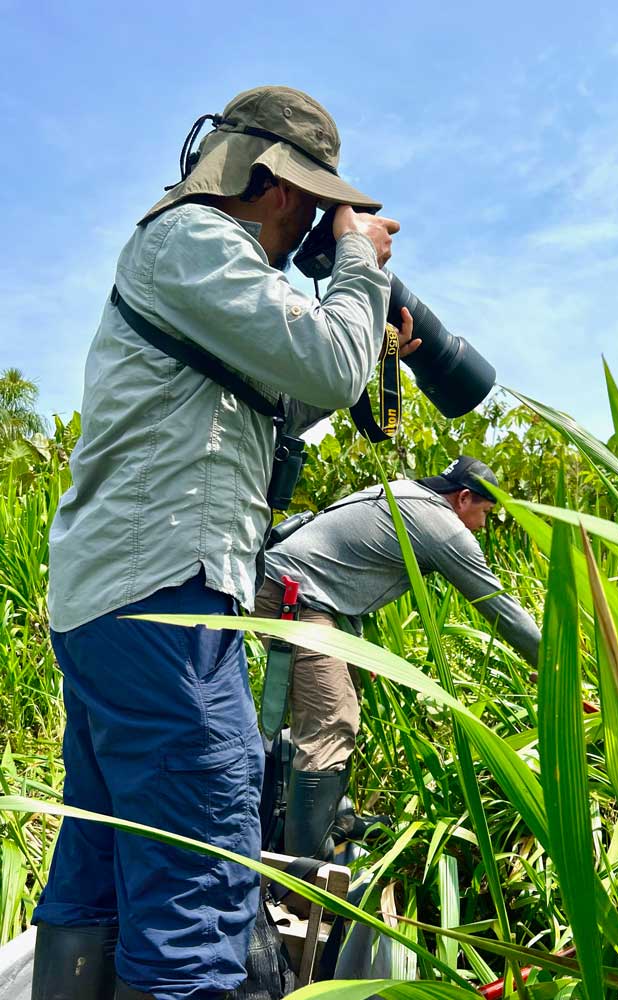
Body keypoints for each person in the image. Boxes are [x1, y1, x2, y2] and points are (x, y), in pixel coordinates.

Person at [33, 86, 413, 1000]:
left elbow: (277, 399)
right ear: (284, 188)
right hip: (163, 603)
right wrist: (360, 262)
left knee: (104, 859)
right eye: (319, 209)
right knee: (198, 884)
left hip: (118, 605)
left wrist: (372, 350)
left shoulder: (196, 273)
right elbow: (318, 356)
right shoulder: (196, 240)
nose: (317, 229)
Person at [254, 455, 541, 860]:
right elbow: (500, 607)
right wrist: (553, 668)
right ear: (462, 499)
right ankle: (305, 872)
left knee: (346, 698)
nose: (482, 525)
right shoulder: (444, 528)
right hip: (293, 597)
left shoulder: (408, 493)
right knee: (332, 720)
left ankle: (336, 821)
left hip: (310, 594)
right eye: (485, 513)